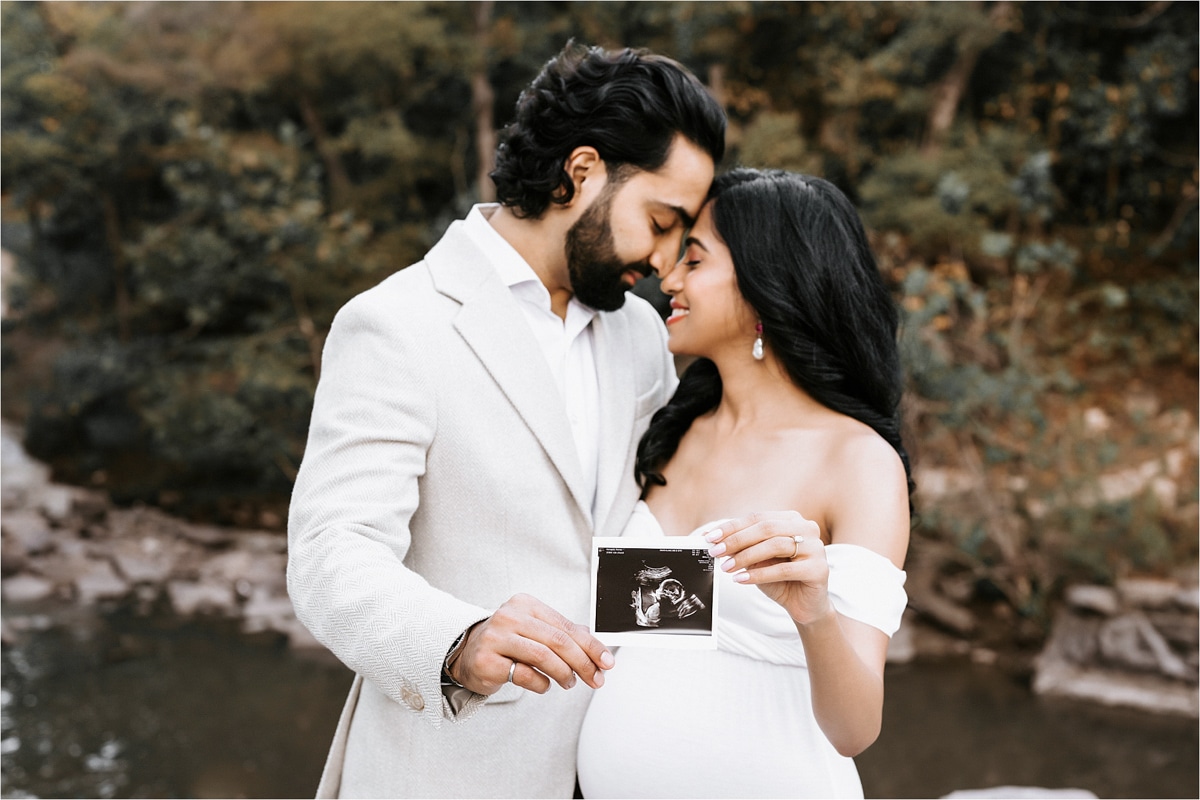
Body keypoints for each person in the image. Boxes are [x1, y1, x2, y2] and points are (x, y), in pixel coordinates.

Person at [286, 43, 725, 799]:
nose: (663, 260)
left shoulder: (642, 338)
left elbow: (635, 549)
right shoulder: (396, 323)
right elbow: (331, 553)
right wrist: (460, 642)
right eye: (659, 221)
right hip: (449, 771)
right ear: (580, 172)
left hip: (624, 767)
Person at [576, 169, 912, 799]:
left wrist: (813, 611)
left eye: (693, 261)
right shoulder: (668, 429)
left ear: (766, 286)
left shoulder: (857, 461)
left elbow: (855, 728)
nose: (668, 280)